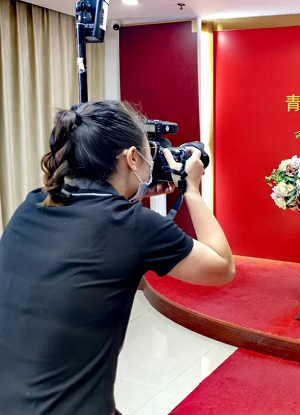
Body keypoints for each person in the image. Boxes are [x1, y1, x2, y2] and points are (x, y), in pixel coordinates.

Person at [0, 100, 235, 415]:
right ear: (132, 158)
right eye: (150, 154)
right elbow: (222, 267)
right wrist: (191, 189)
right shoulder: (135, 226)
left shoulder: (33, 204)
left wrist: (128, 193)